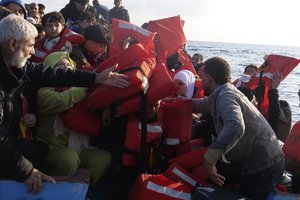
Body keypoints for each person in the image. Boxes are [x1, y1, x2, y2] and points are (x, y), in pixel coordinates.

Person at [0, 14, 128, 194]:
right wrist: (27, 171)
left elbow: (53, 74)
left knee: (33, 151)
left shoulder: (15, 65)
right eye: (30, 45)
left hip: (10, 144)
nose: (33, 51)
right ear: (13, 44)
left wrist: (96, 78)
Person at [193, 57, 285, 199]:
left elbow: (235, 125)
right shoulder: (223, 92)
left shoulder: (226, 96)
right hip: (254, 161)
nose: (201, 80)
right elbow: (202, 104)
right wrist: (173, 103)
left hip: (264, 166)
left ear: (210, 78)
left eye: (202, 77)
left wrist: (210, 159)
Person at [36, 51, 111, 185]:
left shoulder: (80, 90)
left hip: (78, 147)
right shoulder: (44, 92)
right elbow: (62, 100)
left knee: (103, 158)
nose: (66, 68)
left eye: (68, 65)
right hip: (50, 148)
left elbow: (94, 116)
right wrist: (85, 90)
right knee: (69, 158)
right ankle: (56, 192)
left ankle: (80, 191)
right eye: (60, 66)